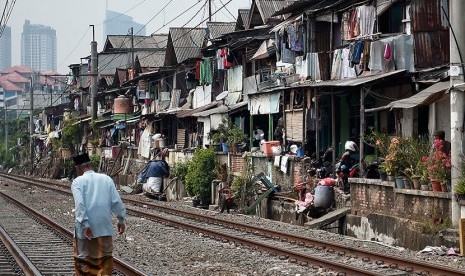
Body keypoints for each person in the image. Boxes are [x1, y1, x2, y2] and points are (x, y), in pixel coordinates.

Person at [71, 153, 126, 276]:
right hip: (104, 228)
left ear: (78, 168)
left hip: (85, 231)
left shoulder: (77, 182)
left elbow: (80, 205)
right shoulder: (106, 179)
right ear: (91, 165)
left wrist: (85, 224)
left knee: (84, 260)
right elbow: (116, 202)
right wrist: (121, 220)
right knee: (105, 259)